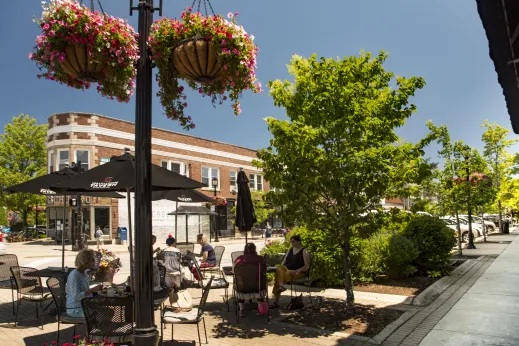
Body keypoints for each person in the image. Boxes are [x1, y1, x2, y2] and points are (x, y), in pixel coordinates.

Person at [271, 235, 310, 308]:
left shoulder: (304, 251)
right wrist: (280, 270)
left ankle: (275, 302)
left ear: (299, 241)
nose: (292, 243)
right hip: (287, 271)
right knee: (277, 267)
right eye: (291, 242)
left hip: (298, 272)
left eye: (294, 241)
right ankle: (282, 285)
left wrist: (298, 270)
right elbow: (283, 263)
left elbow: (306, 266)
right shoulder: (290, 250)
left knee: (279, 279)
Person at [65, 249, 103, 317]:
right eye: (92, 260)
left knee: (107, 311)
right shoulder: (75, 275)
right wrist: (93, 289)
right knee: (104, 314)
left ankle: (98, 327)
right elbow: (76, 297)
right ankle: (96, 327)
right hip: (75, 309)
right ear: (86, 261)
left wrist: (96, 290)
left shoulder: (84, 273)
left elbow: (85, 291)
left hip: (84, 305)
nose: (95, 262)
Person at [234, 243, 267, 317]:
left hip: (243, 287)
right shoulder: (260, 259)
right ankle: (259, 309)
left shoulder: (239, 259)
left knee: (240, 283)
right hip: (258, 287)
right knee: (260, 282)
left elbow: (234, 271)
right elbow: (265, 271)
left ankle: (241, 310)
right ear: (255, 249)